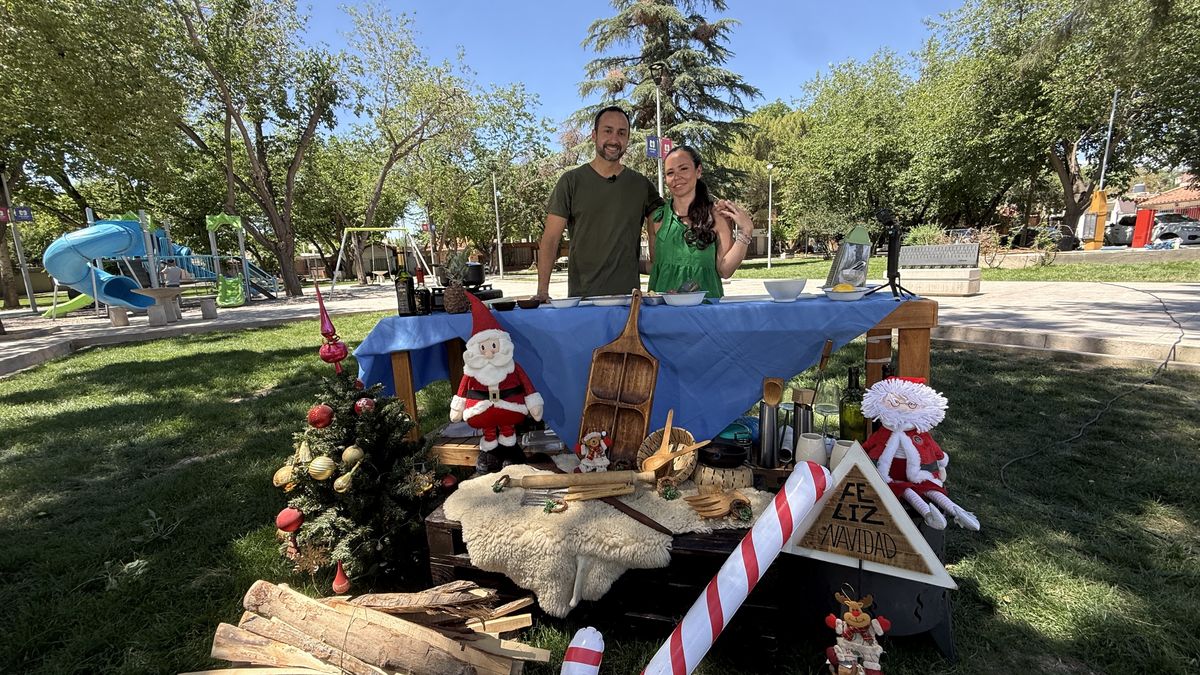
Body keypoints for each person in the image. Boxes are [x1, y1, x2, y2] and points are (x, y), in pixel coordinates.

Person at [534, 106, 664, 301]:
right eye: (607, 131)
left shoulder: (641, 185)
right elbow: (551, 239)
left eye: (622, 133)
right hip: (583, 302)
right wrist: (542, 291)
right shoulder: (571, 182)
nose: (614, 139)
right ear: (594, 135)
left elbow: (665, 223)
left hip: (629, 304)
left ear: (628, 139)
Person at [647, 145, 754, 299]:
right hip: (664, 313)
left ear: (698, 171)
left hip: (705, 313)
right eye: (670, 173)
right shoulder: (656, 218)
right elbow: (656, 265)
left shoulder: (717, 217)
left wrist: (746, 231)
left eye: (683, 169)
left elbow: (725, 270)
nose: (676, 177)